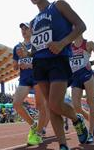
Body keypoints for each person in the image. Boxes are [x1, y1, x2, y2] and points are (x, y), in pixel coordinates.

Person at [30, 0, 88, 150]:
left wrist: (62, 43)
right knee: (50, 106)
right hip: (39, 64)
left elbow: (81, 26)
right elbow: (36, 47)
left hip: (58, 60)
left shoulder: (59, 5)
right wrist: (29, 53)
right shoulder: (32, 22)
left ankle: (77, 119)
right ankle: (63, 145)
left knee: (55, 103)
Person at [13, 22, 49, 145]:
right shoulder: (17, 47)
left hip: (38, 77)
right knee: (16, 103)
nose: (23, 30)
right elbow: (14, 67)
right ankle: (34, 124)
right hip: (24, 79)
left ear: (31, 30)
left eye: (26, 28)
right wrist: (18, 64)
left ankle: (39, 133)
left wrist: (29, 64)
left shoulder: (38, 43)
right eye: (22, 28)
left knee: (40, 105)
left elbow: (44, 61)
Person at [69, 35, 94, 143]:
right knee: (76, 106)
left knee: (91, 102)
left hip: (87, 75)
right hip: (75, 77)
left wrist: (91, 62)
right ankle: (88, 120)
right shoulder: (69, 46)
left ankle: (91, 133)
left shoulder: (88, 44)